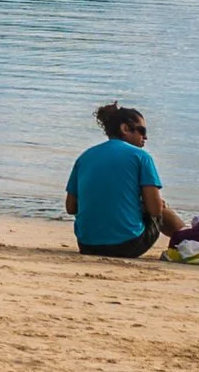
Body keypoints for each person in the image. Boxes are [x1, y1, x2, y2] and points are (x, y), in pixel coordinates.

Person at [65, 101, 186, 258]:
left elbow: (70, 207)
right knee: (161, 205)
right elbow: (155, 210)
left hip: (87, 245)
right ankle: (188, 239)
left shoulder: (85, 157)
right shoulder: (141, 157)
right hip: (127, 245)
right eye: (142, 131)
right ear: (125, 129)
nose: (146, 137)